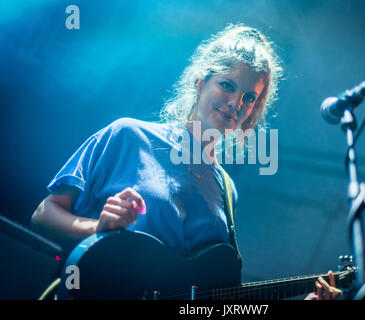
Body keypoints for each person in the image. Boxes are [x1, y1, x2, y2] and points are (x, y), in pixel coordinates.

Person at [31, 23, 341, 300]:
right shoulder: (127, 135)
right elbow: (44, 214)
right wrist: (96, 227)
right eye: (228, 85)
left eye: (250, 98)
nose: (236, 104)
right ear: (200, 82)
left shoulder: (226, 190)